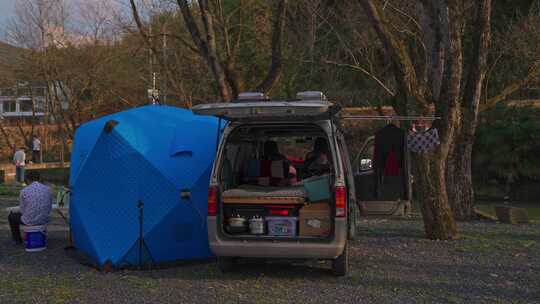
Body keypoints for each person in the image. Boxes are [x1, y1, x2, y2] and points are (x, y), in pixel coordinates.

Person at [8, 171, 53, 245]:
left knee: (12, 216)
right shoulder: (48, 189)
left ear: (28, 179)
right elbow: (49, 205)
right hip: (44, 219)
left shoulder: (24, 191)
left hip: (30, 220)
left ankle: (17, 240)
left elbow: (22, 210)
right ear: (39, 178)